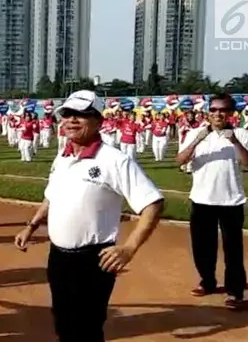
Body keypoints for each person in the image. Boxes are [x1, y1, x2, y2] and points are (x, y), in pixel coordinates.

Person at [14, 90, 164, 342]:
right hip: (58, 257)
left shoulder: (114, 160)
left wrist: (128, 249)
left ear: (99, 121)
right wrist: (31, 226)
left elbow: (153, 204)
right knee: (63, 323)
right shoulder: (63, 157)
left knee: (87, 328)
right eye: (68, 114)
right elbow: (51, 196)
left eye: (82, 115)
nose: (72, 120)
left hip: (93, 261)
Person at [175, 93, 248, 310]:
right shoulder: (195, 133)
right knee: (202, 248)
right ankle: (208, 282)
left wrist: (234, 140)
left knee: (233, 250)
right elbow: (180, 161)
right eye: (214, 110)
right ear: (208, 113)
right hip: (201, 200)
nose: (218, 114)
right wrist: (199, 138)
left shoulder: (242, 134)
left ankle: (235, 291)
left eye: (223, 110)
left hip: (231, 200)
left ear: (231, 113)